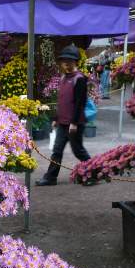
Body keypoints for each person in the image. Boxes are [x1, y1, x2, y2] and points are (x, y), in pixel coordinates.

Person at [36, 45, 91, 186]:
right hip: (62, 123)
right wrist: (55, 118)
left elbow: (80, 103)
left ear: (76, 61)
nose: (66, 63)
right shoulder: (63, 78)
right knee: (57, 150)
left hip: (75, 124)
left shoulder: (79, 79)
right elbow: (61, 101)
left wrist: (74, 122)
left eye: (70, 60)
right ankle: (50, 178)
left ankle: (94, 173)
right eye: (64, 60)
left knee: (78, 151)